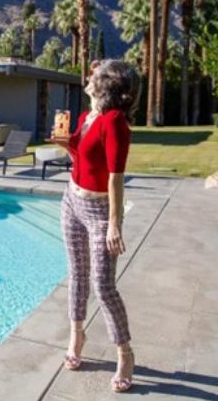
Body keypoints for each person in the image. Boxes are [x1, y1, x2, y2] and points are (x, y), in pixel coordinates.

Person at [53, 59, 141, 393]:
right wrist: (66, 144)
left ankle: (125, 353)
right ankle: (77, 336)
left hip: (99, 210)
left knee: (103, 286)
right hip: (71, 202)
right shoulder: (86, 116)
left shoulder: (115, 121)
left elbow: (116, 177)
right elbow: (82, 157)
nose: (88, 77)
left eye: (95, 74)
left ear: (107, 84)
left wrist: (114, 225)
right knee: (76, 276)